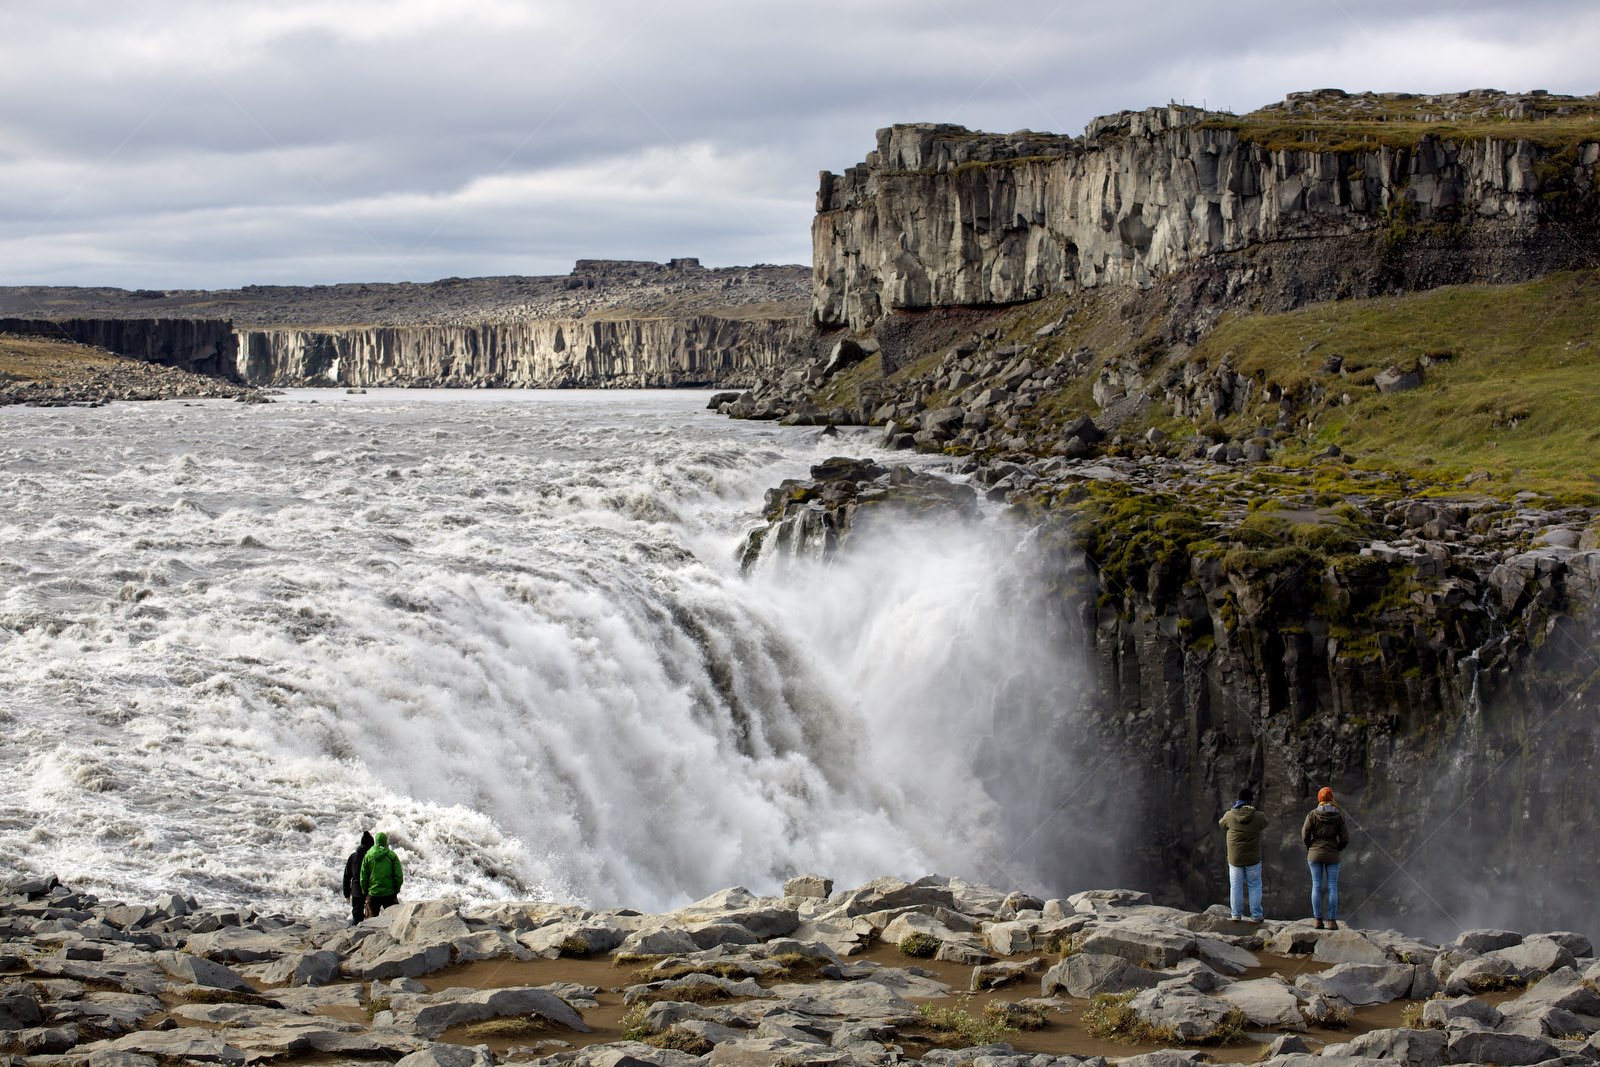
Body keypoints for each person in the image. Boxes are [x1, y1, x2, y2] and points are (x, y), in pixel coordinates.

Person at [1303, 786, 1350, 930]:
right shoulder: (1339, 816)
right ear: (1332, 798)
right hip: (1332, 855)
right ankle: (1332, 921)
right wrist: (1338, 848)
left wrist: (1311, 846)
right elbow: (1345, 838)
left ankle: (1318, 920)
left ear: (1319, 798)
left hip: (1314, 854)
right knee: (1332, 887)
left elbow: (1305, 834)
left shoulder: (1312, 815)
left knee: (1316, 886)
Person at [1219, 786, 1268, 922]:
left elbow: (1221, 824)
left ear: (1239, 800)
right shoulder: (1258, 816)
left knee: (1235, 886)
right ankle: (1256, 916)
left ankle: (1236, 915)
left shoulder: (1229, 815)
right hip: (1253, 858)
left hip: (1235, 858)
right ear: (1251, 801)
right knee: (1254, 885)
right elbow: (1266, 823)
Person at [359, 830, 404, 915]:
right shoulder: (392, 855)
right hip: (389, 893)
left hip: (373, 893)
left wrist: (365, 892)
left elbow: (363, 877)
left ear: (376, 841)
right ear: (385, 841)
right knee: (392, 919)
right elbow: (399, 876)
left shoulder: (368, 855)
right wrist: (396, 890)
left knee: (371, 922)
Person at [341, 830, 374, 926]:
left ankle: (354, 933)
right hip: (371, 890)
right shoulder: (372, 857)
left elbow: (347, 876)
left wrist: (346, 893)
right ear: (372, 845)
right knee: (372, 917)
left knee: (356, 915)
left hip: (356, 890)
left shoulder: (353, 856)